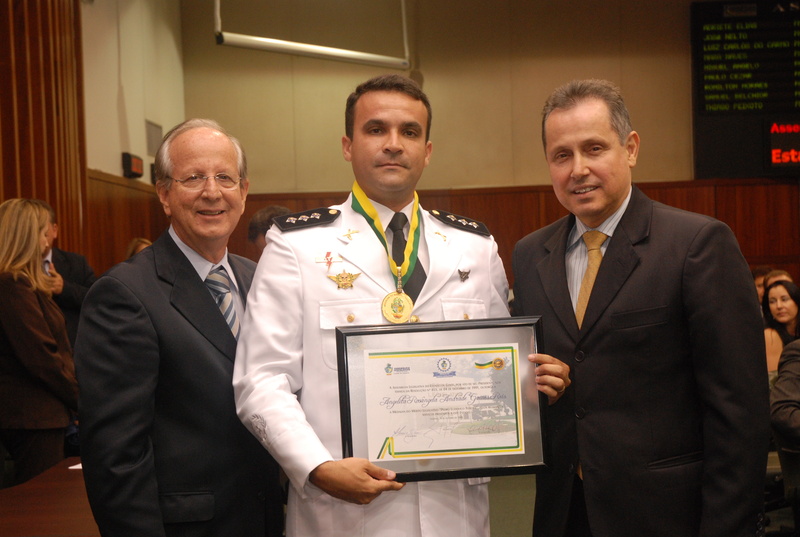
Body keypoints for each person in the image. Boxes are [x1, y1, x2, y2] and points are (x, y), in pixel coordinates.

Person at [233, 74, 567, 537]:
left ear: (426, 151)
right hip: (343, 513)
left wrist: (535, 379)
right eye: (376, 129)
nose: (393, 143)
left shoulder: (474, 247)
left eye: (409, 131)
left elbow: (497, 373)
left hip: (455, 513)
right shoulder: (297, 247)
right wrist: (316, 467)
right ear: (348, 146)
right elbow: (261, 381)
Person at [511, 79, 769, 537]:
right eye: (561, 155)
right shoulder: (530, 256)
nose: (578, 169)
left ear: (630, 149)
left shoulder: (696, 245)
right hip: (564, 512)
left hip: (668, 516)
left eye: (594, 148)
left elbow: (739, 415)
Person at [74, 118, 284, 536]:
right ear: (164, 194)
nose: (212, 192)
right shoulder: (123, 294)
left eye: (225, 177)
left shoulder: (260, 278)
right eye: (193, 178)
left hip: (269, 519)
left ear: (243, 192)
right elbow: (115, 458)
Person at [0, 198, 78, 485]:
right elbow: (42, 358)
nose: (47, 240)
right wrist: (81, 399)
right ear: (24, 235)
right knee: (41, 501)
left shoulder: (24, 284)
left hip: (42, 415)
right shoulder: (12, 285)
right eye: (42, 232)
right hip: (33, 417)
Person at [30, 199, 97, 348]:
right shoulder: (17, 269)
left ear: (54, 231)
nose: (39, 237)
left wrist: (64, 288)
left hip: (71, 347)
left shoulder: (76, 263)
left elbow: (96, 298)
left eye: (43, 231)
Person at [764, 280, 800, 378]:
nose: (779, 306)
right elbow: (774, 378)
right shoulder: (770, 335)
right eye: (772, 301)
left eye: (784, 299)